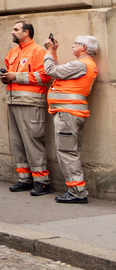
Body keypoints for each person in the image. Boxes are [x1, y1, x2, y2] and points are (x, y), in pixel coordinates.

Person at [43, 35, 100, 204]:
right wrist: (54, 52)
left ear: (83, 47)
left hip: (67, 113)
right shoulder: (86, 64)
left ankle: (77, 191)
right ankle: (77, 190)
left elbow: (52, 71)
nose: (73, 46)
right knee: (71, 152)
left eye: (75, 44)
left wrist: (48, 51)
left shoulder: (81, 64)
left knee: (67, 153)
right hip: (71, 113)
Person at [0, 21, 51, 195]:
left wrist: (17, 76)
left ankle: (42, 181)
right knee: (17, 143)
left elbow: (45, 76)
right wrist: (6, 77)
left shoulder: (37, 51)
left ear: (26, 32)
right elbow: (10, 72)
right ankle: (25, 179)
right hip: (13, 101)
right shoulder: (13, 51)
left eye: (16, 30)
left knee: (33, 141)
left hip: (31, 102)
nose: (12, 32)